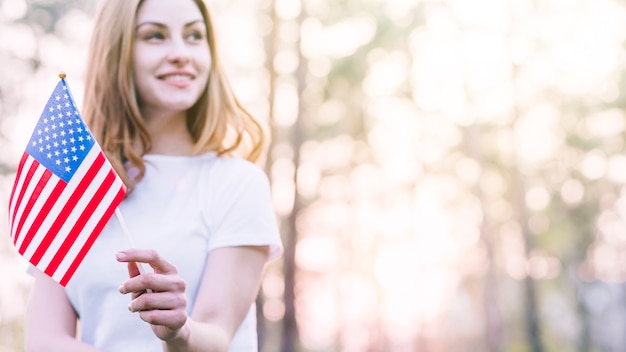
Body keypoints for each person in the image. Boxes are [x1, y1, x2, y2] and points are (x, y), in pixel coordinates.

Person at [24, 0, 282, 351]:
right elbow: (43, 340)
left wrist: (181, 331)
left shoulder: (237, 183)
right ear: (117, 52)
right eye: (155, 36)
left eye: (194, 35)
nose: (180, 53)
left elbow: (218, 336)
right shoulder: (75, 179)